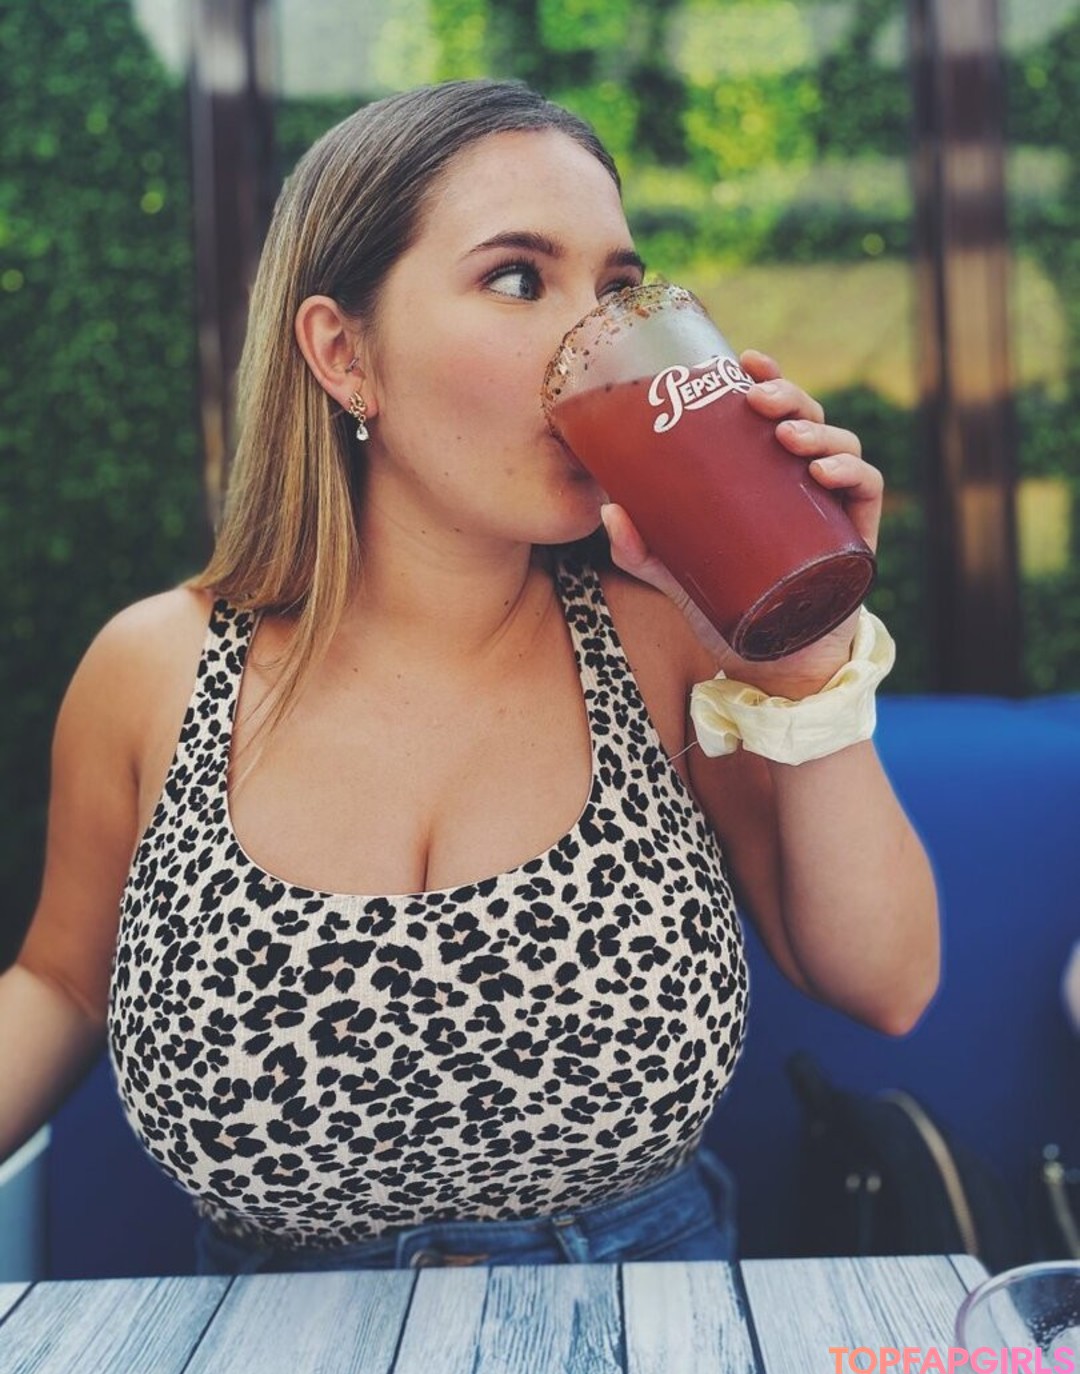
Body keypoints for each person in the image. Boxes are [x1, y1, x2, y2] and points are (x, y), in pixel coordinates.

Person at [0, 78, 939, 1274]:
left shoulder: (663, 642)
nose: (591, 347)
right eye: (517, 279)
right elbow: (62, 982)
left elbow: (884, 982)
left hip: (642, 1321)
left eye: (614, 290)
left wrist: (806, 664)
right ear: (344, 353)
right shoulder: (155, 671)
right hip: (273, 1341)